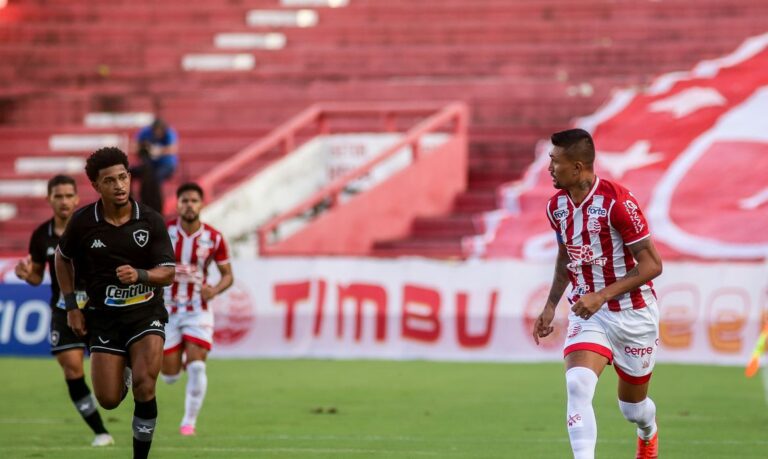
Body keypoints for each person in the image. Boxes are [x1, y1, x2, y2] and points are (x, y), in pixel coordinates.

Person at [532, 129, 663, 459]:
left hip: (634, 313)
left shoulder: (618, 203)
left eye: (554, 161)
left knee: (633, 410)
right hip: (590, 314)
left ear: (577, 167)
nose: (548, 167)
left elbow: (652, 265)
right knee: (577, 386)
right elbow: (566, 255)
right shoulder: (556, 207)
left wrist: (602, 295)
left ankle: (648, 431)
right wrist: (550, 305)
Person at [55, 147, 176, 459]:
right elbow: (62, 257)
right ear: (96, 186)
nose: (120, 185)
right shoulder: (83, 222)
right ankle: (121, 370)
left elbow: (167, 273)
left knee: (145, 386)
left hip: (145, 313)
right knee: (108, 399)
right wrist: (71, 307)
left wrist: (140, 274)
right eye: (110, 181)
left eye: (123, 177)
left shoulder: (150, 221)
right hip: (104, 318)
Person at [14, 175, 114, 447]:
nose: (64, 201)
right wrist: (26, 275)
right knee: (72, 369)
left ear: (77, 198)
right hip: (63, 309)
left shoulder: (92, 228)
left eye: (68, 195)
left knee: (111, 371)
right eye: (58, 196)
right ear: (49, 200)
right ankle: (101, 432)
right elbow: (36, 276)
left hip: (97, 308)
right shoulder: (41, 235)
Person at [160, 182, 233, 436]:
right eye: (184, 201)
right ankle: (177, 359)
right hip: (166, 309)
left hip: (197, 308)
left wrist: (214, 290)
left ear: (201, 204)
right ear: (177, 204)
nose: (189, 205)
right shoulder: (163, 231)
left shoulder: (214, 237)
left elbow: (227, 276)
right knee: (168, 376)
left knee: (198, 367)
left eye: (194, 201)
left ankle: (188, 422)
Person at [132, 118, 179, 213]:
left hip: (165, 165)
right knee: (131, 173)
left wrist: (159, 151)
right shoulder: (145, 132)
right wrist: (145, 148)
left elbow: (173, 148)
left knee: (155, 178)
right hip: (149, 165)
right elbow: (135, 146)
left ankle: (158, 206)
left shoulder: (169, 133)